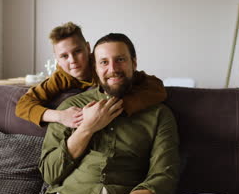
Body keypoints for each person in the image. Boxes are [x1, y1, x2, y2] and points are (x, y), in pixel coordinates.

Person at [0, 33, 237, 194]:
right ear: (95, 67)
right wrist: (86, 128)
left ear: (134, 63)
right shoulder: (70, 108)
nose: (112, 68)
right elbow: (50, 172)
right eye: (104, 62)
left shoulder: (158, 113)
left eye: (121, 60)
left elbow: (164, 177)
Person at [15, 22, 167, 128]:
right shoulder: (60, 77)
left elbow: (156, 87)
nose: (73, 60)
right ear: (57, 60)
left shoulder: (104, 65)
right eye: (64, 56)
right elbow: (23, 105)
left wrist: (119, 108)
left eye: (77, 51)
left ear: (88, 48)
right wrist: (60, 116)